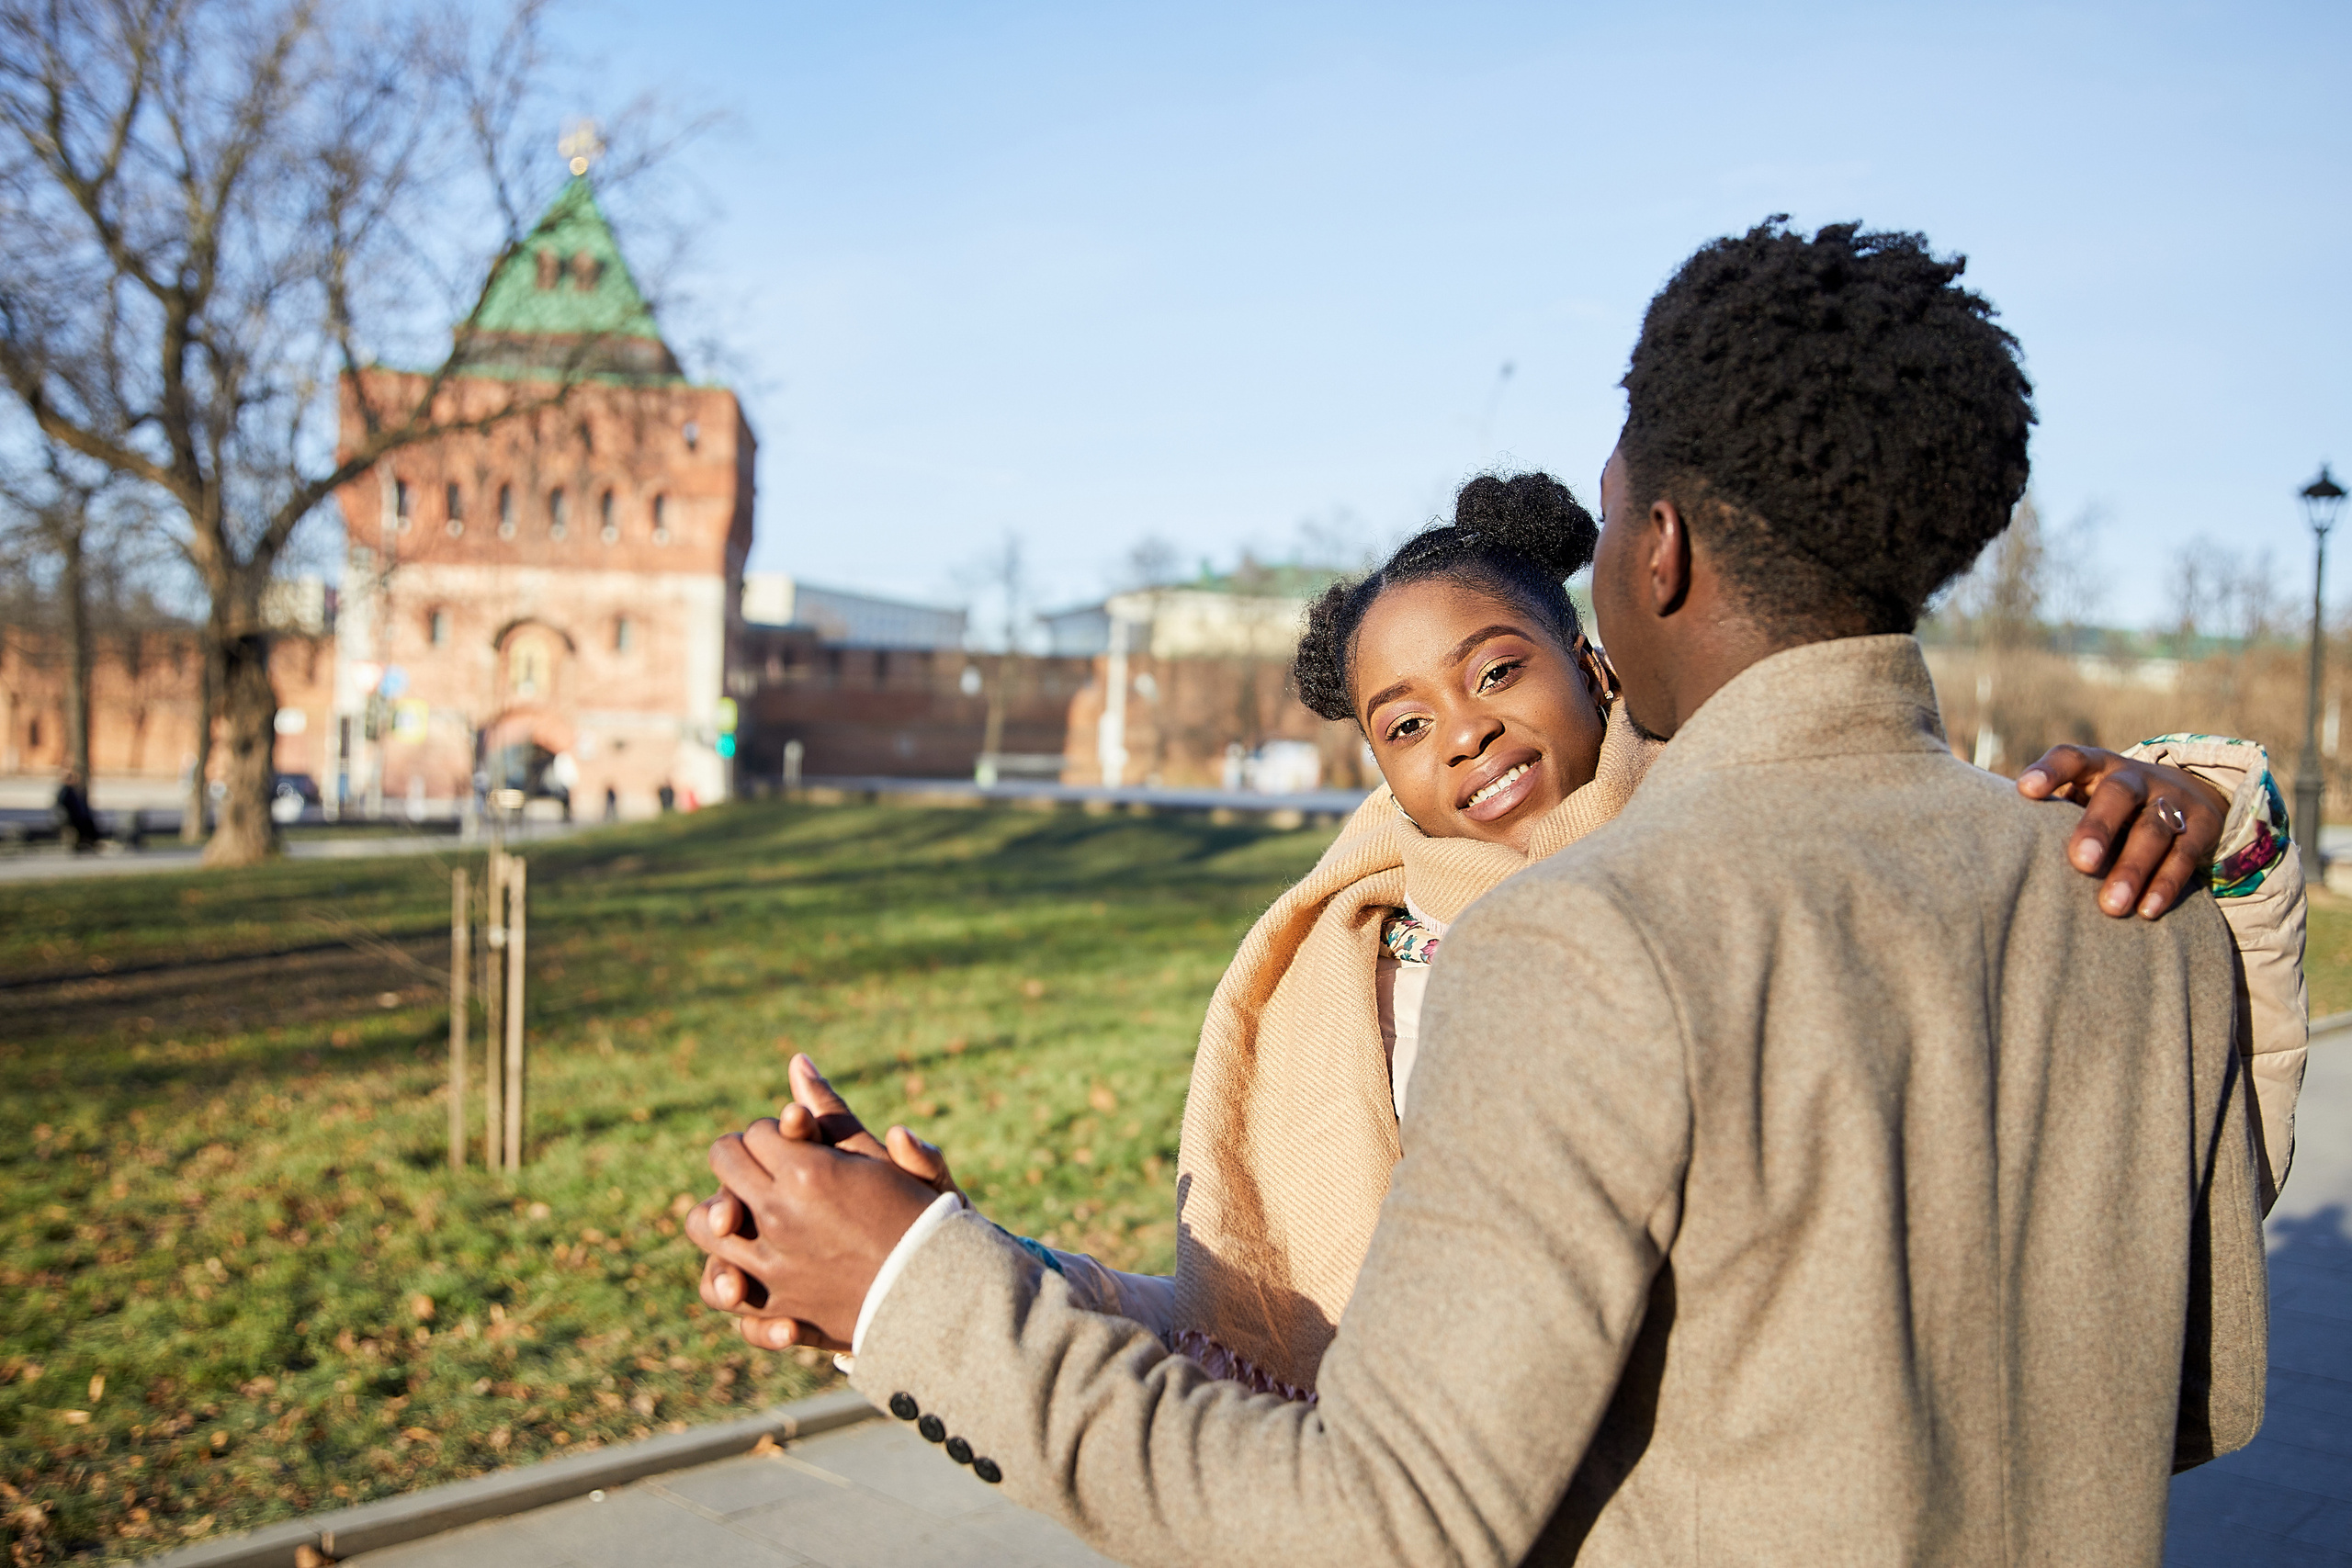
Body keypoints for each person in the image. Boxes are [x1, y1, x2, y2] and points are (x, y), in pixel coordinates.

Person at [688, 220, 2277, 1563]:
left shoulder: (1590, 941)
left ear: (1656, 553)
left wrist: (915, 1291)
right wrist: (966, 1255)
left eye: (1610, 502)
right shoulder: (2130, 892)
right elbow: (2198, 1389)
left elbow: (1383, 1522)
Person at [698, 473, 2305, 1397]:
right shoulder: (1353, 970)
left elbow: (2133, 1140)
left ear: (1591, 663)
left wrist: (2206, 815)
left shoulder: (1768, 860)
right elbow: (1240, 1330)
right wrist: (935, 1253)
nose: (1460, 729)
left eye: (1493, 669)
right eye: (1403, 720)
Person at [55, 769, 101, 852]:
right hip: (71, 817)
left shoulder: (72, 790)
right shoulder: (66, 791)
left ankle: (89, 842)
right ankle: (88, 843)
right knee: (85, 824)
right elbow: (63, 806)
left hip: (76, 816)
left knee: (89, 822)